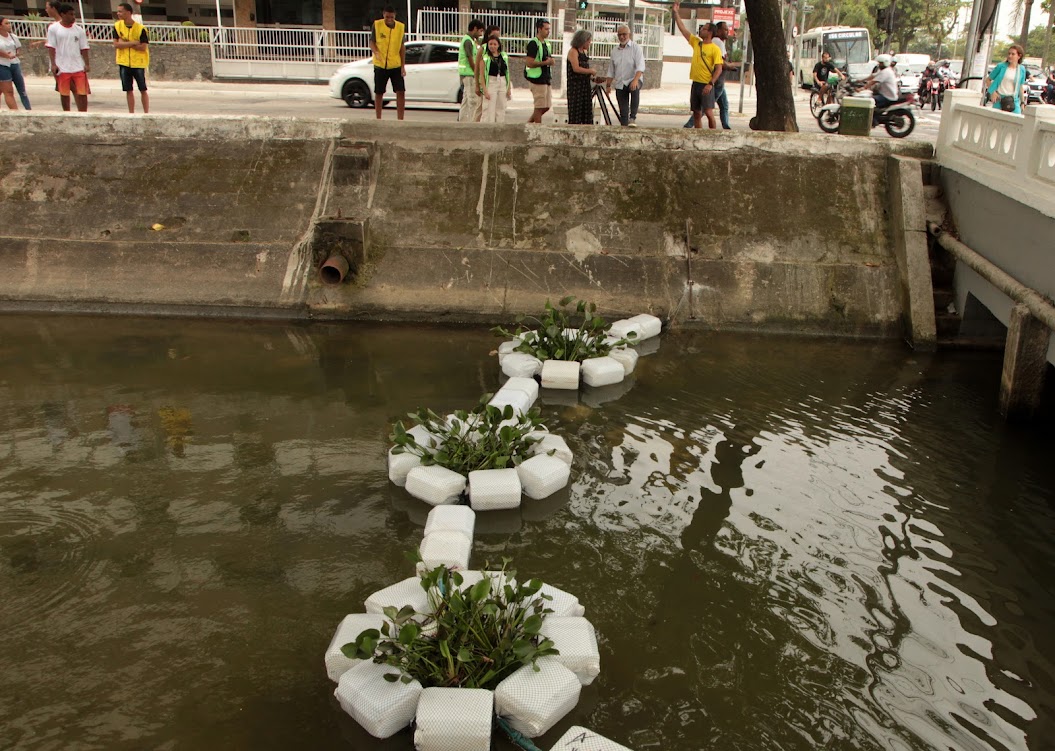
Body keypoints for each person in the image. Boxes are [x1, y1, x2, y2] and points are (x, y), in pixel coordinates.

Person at [672, 3, 723, 129]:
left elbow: (718, 68)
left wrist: (710, 84)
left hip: (706, 84)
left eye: (704, 29)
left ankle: (712, 135)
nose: (701, 30)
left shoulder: (715, 49)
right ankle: (698, 134)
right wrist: (676, 13)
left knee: (709, 112)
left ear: (710, 32)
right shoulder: (697, 43)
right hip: (696, 83)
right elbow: (683, 29)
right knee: (696, 112)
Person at [46, 4, 90, 113]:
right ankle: (67, 113)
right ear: (62, 14)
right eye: (70, 14)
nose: (73, 17)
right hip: (62, 67)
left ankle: (83, 113)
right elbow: (51, 47)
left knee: (82, 92)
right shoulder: (54, 28)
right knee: (64, 93)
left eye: (74, 14)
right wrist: (53, 64)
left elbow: (84, 48)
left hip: (78, 66)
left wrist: (87, 64)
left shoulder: (79, 30)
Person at [370, 5, 406, 120]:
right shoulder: (377, 25)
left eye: (391, 17)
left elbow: (402, 47)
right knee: (379, 92)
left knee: (400, 91)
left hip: (395, 64)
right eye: (387, 17)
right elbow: (372, 42)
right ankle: (378, 118)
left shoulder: (400, 27)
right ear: (383, 15)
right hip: (380, 65)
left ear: (394, 16)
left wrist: (402, 67)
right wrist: (376, 52)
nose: (389, 19)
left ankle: (400, 119)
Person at [605, 23, 644, 127]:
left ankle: (633, 117)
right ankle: (624, 128)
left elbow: (640, 67)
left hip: (633, 79)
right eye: (619, 35)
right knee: (623, 111)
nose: (622, 37)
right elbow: (611, 70)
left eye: (624, 34)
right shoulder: (615, 51)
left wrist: (635, 80)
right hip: (620, 82)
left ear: (629, 35)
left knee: (634, 88)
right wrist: (608, 85)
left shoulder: (636, 49)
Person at [113, 3, 149, 114]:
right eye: (118, 11)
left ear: (128, 12)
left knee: (142, 89)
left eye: (121, 11)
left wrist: (125, 43)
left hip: (138, 63)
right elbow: (116, 44)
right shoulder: (117, 26)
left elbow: (143, 47)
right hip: (124, 62)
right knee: (128, 89)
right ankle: (131, 113)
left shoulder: (140, 29)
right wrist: (133, 43)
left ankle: (146, 112)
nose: (118, 13)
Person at [525, 18, 556, 124]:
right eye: (546, 29)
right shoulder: (534, 43)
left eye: (549, 29)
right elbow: (529, 62)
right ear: (539, 29)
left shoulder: (546, 43)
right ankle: (537, 128)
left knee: (547, 106)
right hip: (536, 79)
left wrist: (551, 61)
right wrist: (545, 63)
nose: (548, 32)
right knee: (539, 106)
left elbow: (548, 58)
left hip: (545, 78)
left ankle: (528, 123)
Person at [565, 29, 598, 125]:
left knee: (586, 112)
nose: (589, 43)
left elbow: (583, 70)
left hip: (584, 86)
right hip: (576, 87)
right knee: (576, 112)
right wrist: (590, 71)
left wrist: (590, 77)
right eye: (588, 41)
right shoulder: (573, 51)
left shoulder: (583, 52)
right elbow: (576, 68)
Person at [478, 35, 511, 123]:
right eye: (490, 44)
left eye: (495, 44)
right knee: (489, 108)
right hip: (491, 82)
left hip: (502, 82)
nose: (492, 46)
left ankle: (499, 128)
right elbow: (481, 75)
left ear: (498, 45)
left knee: (501, 107)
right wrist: (484, 89)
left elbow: (507, 72)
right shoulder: (485, 58)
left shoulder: (503, 56)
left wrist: (508, 88)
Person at [985, 44, 1027, 114]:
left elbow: (1020, 86)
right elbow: (988, 80)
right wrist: (993, 92)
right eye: (1009, 54)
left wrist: (1022, 102)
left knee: (1016, 121)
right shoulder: (1001, 66)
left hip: (1013, 100)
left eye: (1013, 54)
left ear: (1019, 56)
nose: (1010, 56)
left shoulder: (1021, 69)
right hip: (999, 99)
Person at [0, 17, 31, 110]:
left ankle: (28, 110)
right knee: (8, 91)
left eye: (9, 23)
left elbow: (18, 48)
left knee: (22, 90)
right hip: (3, 65)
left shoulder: (13, 36)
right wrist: (6, 55)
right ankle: (15, 112)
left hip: (14, 64)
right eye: (6, 23)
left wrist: (15, 54)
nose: (9, 25)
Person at [457, 18, 483, 123]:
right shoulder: (468, 41)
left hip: (466, 74)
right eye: (480, 31)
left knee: (466, 100)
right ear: (475, 29)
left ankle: (462, 121)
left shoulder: (470, 40)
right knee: (472, 100)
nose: (481, 34)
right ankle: (472, 123)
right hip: (469, 74)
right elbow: (470, 58)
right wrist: (477, 73)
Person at [863, 53, 898, 119]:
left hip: (887, 97)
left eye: (881, 63)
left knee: (870, 101)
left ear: (886, 63)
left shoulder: (886, 72)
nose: (879, 64)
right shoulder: (884, 70)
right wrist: (860, 80)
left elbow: (873, 82)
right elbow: (873, 76)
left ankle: (874, 120)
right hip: (885, 94)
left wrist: (862, 89)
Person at [711, 21, 732, 129]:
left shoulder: (715, 41)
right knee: (707, 107)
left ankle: (726, 127)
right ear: (718, 31)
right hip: (718, 80)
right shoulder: (718, 42)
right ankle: (689, 124)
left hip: (718, 80)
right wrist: (730, 67)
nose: (727, 31)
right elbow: (721, 63)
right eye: (725, 29)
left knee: (724, 105)